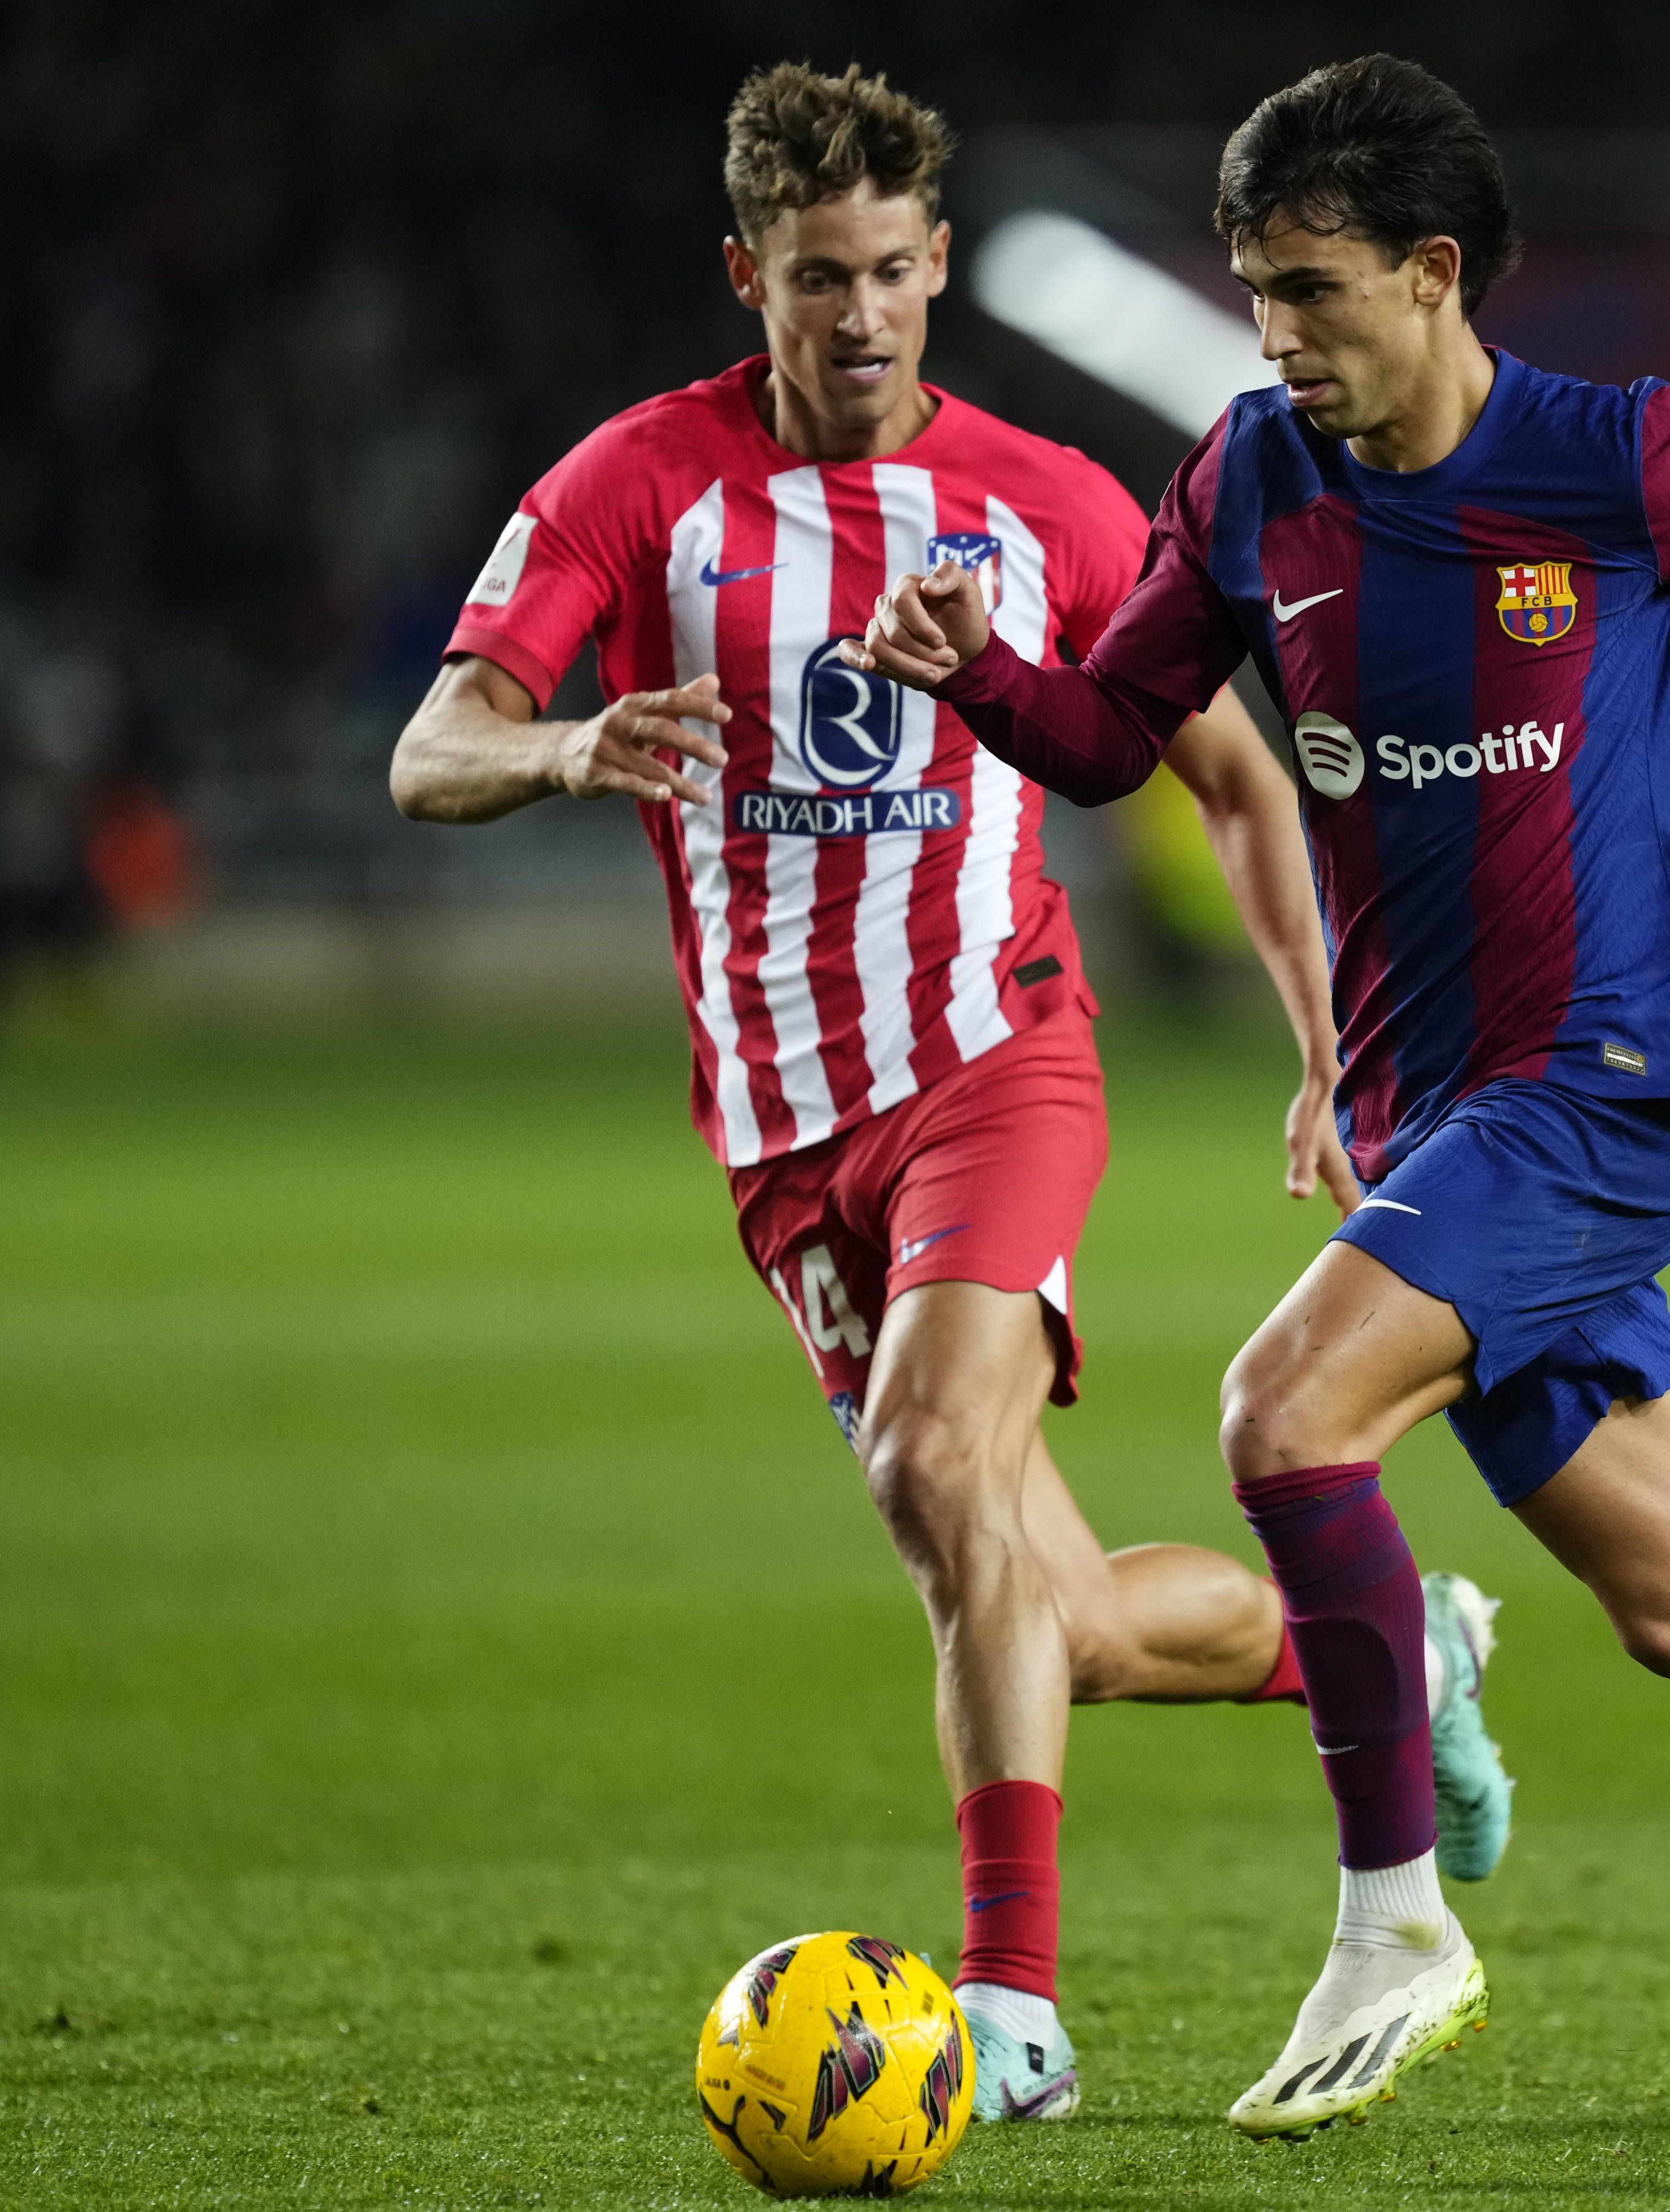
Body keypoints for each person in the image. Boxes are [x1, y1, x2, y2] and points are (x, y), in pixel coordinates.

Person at [846, 52, 1670, 2138]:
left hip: (1608, 1086)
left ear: (1433, 270)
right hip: (1434, 1121)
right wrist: (982, 678)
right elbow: (1121, 733)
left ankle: (1395, 1918)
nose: (1274, 335)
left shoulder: (1618, 459)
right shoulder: (1248, 484)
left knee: (1282, 1414)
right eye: (1252, 289)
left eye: (1308, 289)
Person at [386, 61, 1517, 2130]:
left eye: (899, 270)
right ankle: (1399, 1651)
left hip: (998, 1062)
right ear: (752, 276)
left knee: (932, 1464)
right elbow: (432, 746)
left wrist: (1325, 1049)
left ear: (934, 268)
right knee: (1046, 1614)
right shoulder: (636, 486)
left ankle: (1012, 2010)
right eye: (822, 278)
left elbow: (1242, 780)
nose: (866, 317)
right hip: (779, 1133)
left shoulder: (1055, 505)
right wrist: (559, 752)